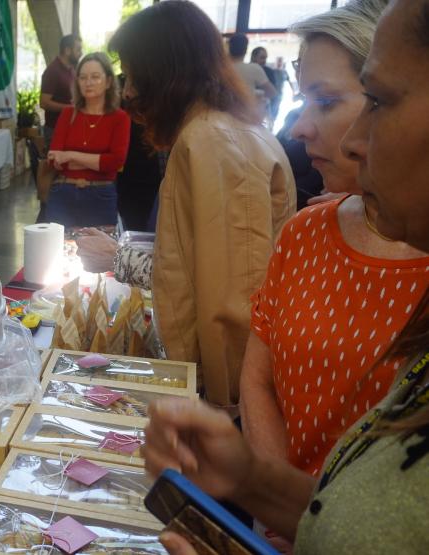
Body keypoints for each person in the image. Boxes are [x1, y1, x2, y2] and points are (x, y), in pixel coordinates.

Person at [145, 1, 429, 552]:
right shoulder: (307, 230)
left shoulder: (209, 142)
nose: (344, 138)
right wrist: (255, 481)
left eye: (377, 100)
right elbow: (349, 514)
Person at [242, 0, 428, 479]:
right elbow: (260, 377)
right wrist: (276, 499)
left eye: (326, 102)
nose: (302, 127)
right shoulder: (305, 231)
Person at [78, 1, 296, 410]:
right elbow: (198, 256)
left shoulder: (213, 141)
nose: (128, 92)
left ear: (165, 71)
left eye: (134, 74)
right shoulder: (214, 131)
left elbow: (232, 299)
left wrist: (223, 407)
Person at [43, 52, 130, 228]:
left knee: (99, 253)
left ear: (108, 82)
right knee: (54, 252)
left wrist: (69, 156)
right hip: (63, 193)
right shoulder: (68, 114)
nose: (88, 82)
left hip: (101, 194)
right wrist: (96, 161)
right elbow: (53, 160)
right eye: (82, 77)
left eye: (95, 77)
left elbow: (115, 162)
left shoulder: (120, 118)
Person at [116, 74, 163, 232]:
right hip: (126, 180)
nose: (125, 93)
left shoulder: (162, 106)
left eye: (133, 81)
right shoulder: (125, 105)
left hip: (150, 181)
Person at [40, 34, 82, 146]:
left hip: (70, 128)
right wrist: (70, 108)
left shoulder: (72, 70)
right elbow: (43, 103)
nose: (81, 53)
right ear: (67, 50)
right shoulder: (53, 71)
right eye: (78, 50)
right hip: (55, 130)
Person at [229, 34, 278, 120]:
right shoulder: (254, 68)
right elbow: (272, 92)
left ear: (229, 48)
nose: (264, 60)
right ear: (246, 49)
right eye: (262, 57)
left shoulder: (219, 69)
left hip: (223, 115)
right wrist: (254, 95)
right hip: (246, 116)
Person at [251, 46, 288, 122]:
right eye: (262, 58)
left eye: (265, 58)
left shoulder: (269, 72)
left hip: (264, 110)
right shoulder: (247, 70)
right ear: (253, 57)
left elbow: (273, 93)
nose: (264, 61)